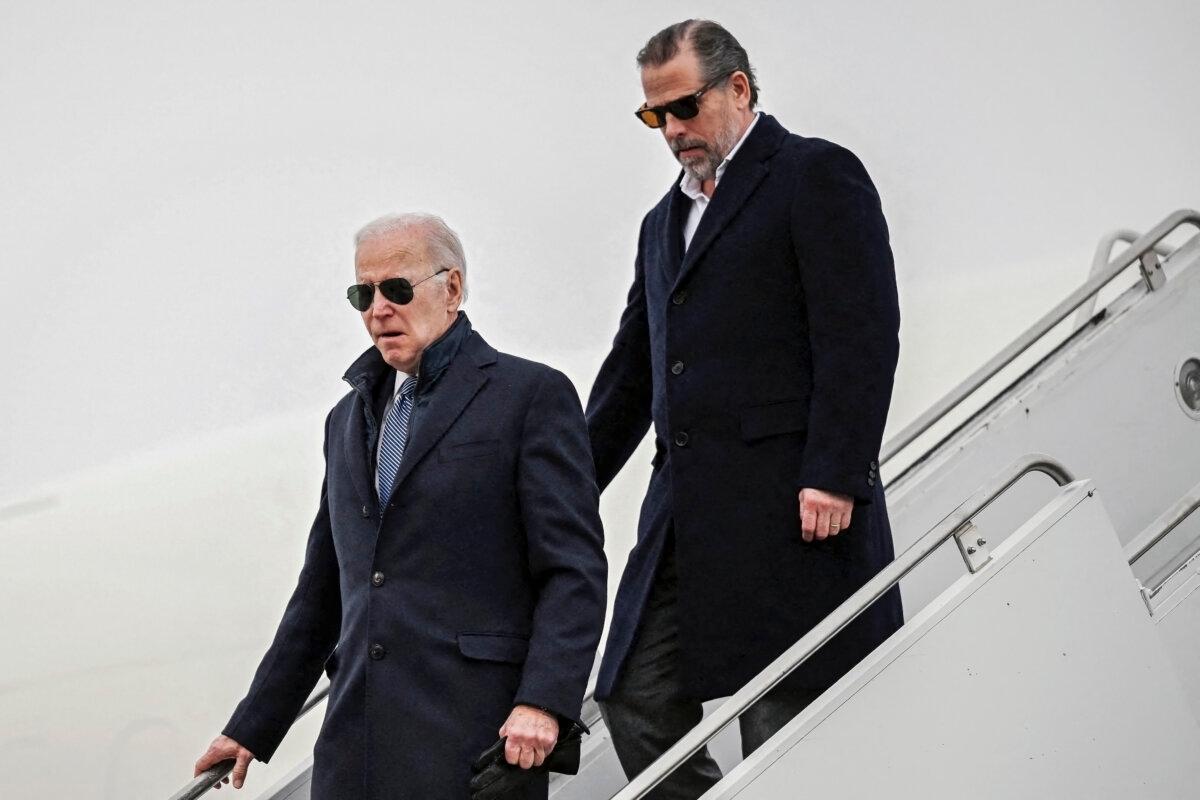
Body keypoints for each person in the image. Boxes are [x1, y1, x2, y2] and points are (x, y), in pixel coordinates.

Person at [585, 19, 904, 798]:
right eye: (654, 116)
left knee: (780, 726)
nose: (672, 130)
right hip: (684, 515)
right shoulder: (661, 224)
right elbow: (631, 376)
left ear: (739, 87)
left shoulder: (814, 174)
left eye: (685, 107)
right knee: (633, 695)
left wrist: (834, 471)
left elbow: (859, 332)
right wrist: (558, 485)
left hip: (793, 508)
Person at [193, 213, 607, 800]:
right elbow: (323, 592)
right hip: (355, 750)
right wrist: (252, 726)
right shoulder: (345, 421)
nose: (377, 309)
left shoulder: (530, 396)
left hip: (478, 744)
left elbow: (574, 570)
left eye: (396, 289)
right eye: (363, 294)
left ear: (453, 288)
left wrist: (543, 701)